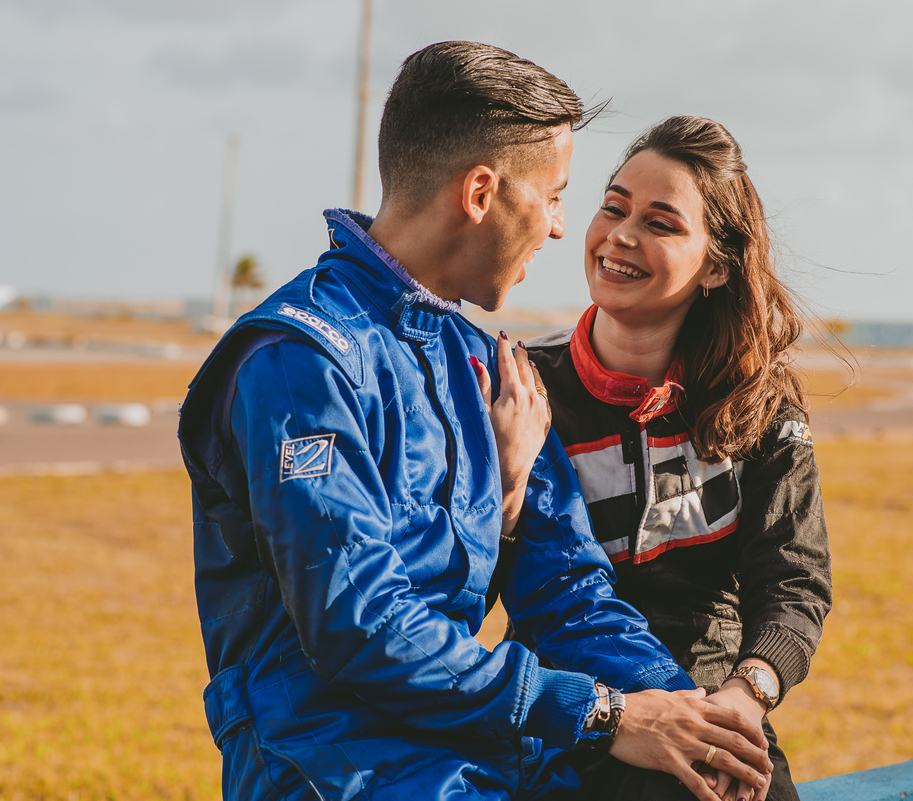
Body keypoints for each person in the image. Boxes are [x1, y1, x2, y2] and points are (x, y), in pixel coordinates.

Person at [178, 45, 772, 801]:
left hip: (476, 747)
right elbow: (362, 626)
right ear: (481, 192)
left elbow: (570, 591)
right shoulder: (300, 362)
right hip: (330, 763)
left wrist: (688, 715)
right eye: (553, 196)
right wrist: (604, 712)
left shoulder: (490, 368)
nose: (560, 227)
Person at [523, 116, 834, 801]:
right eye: (613, 208)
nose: (621, 235)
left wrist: (744, 698)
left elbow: (794, 579)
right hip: (579, 720)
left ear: (717, 266)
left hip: (720, 711)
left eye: (660, 223)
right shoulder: (523, 389)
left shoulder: (759, 401)